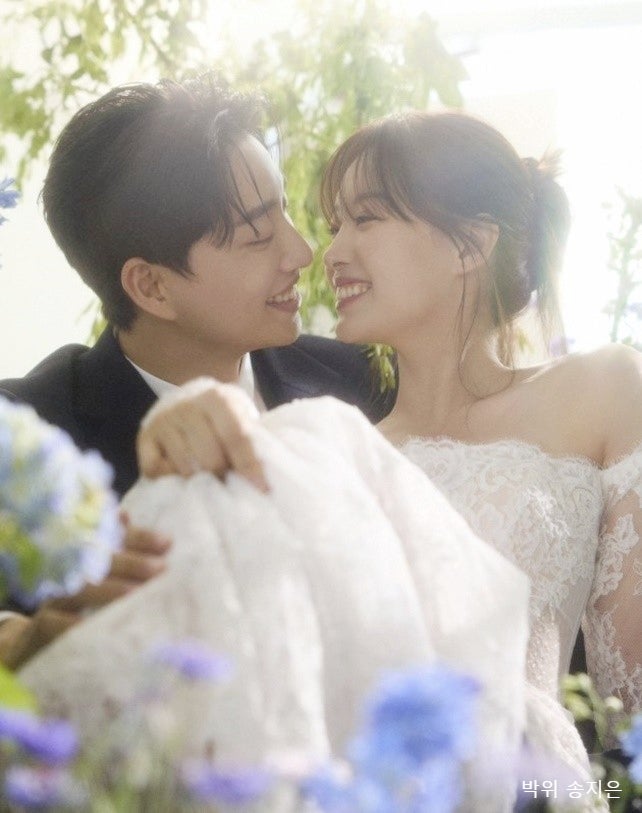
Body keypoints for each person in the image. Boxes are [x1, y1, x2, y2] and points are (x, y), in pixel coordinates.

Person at [128, 111, 642, 788]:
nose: (330, 253)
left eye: (365, 219)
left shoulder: (602, 388)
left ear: (470, 244)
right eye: (336, 224)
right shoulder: (336, 454)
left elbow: (629, 715)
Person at [0, 76, 394, 669]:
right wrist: (18, 640)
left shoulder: (357, 380)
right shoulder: (27, 440)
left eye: (286, 210)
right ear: (151, 286)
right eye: (259, 236)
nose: (302, 253)